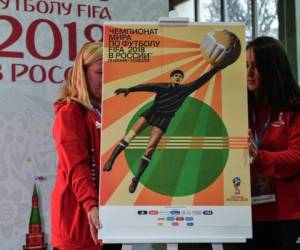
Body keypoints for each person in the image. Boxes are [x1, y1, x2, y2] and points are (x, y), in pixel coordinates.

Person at [103, 30, 241, 194]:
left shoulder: (184, 89)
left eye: (179, 76)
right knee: (130, 135)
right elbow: (146, 87)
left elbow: (201, 80)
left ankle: (136, 178)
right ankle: (111, 159)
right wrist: (130, 89)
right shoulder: (163, 86)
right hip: (152, 112)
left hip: (164, 119)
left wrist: (215, 69)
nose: (176, 78)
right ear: (171, 77)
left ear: (180, 79)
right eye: (174, 75)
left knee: (150, 148)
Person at [51, 42, 121, 250]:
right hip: (79, 218)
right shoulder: (69, 113)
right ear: (82, 73)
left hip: (110, 217)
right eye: (100, 72)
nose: (106, 79)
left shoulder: (113, 112)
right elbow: (76, 166)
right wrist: (91, 205)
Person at [247, 36, 300, 250]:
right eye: (245, 66)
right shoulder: (238, 109)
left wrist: (258, 156)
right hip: (247, 216)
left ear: (273, 68)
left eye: (256, 66)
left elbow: (297, 157)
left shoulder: (294, 108)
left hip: (290, 215)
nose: (248, 74)